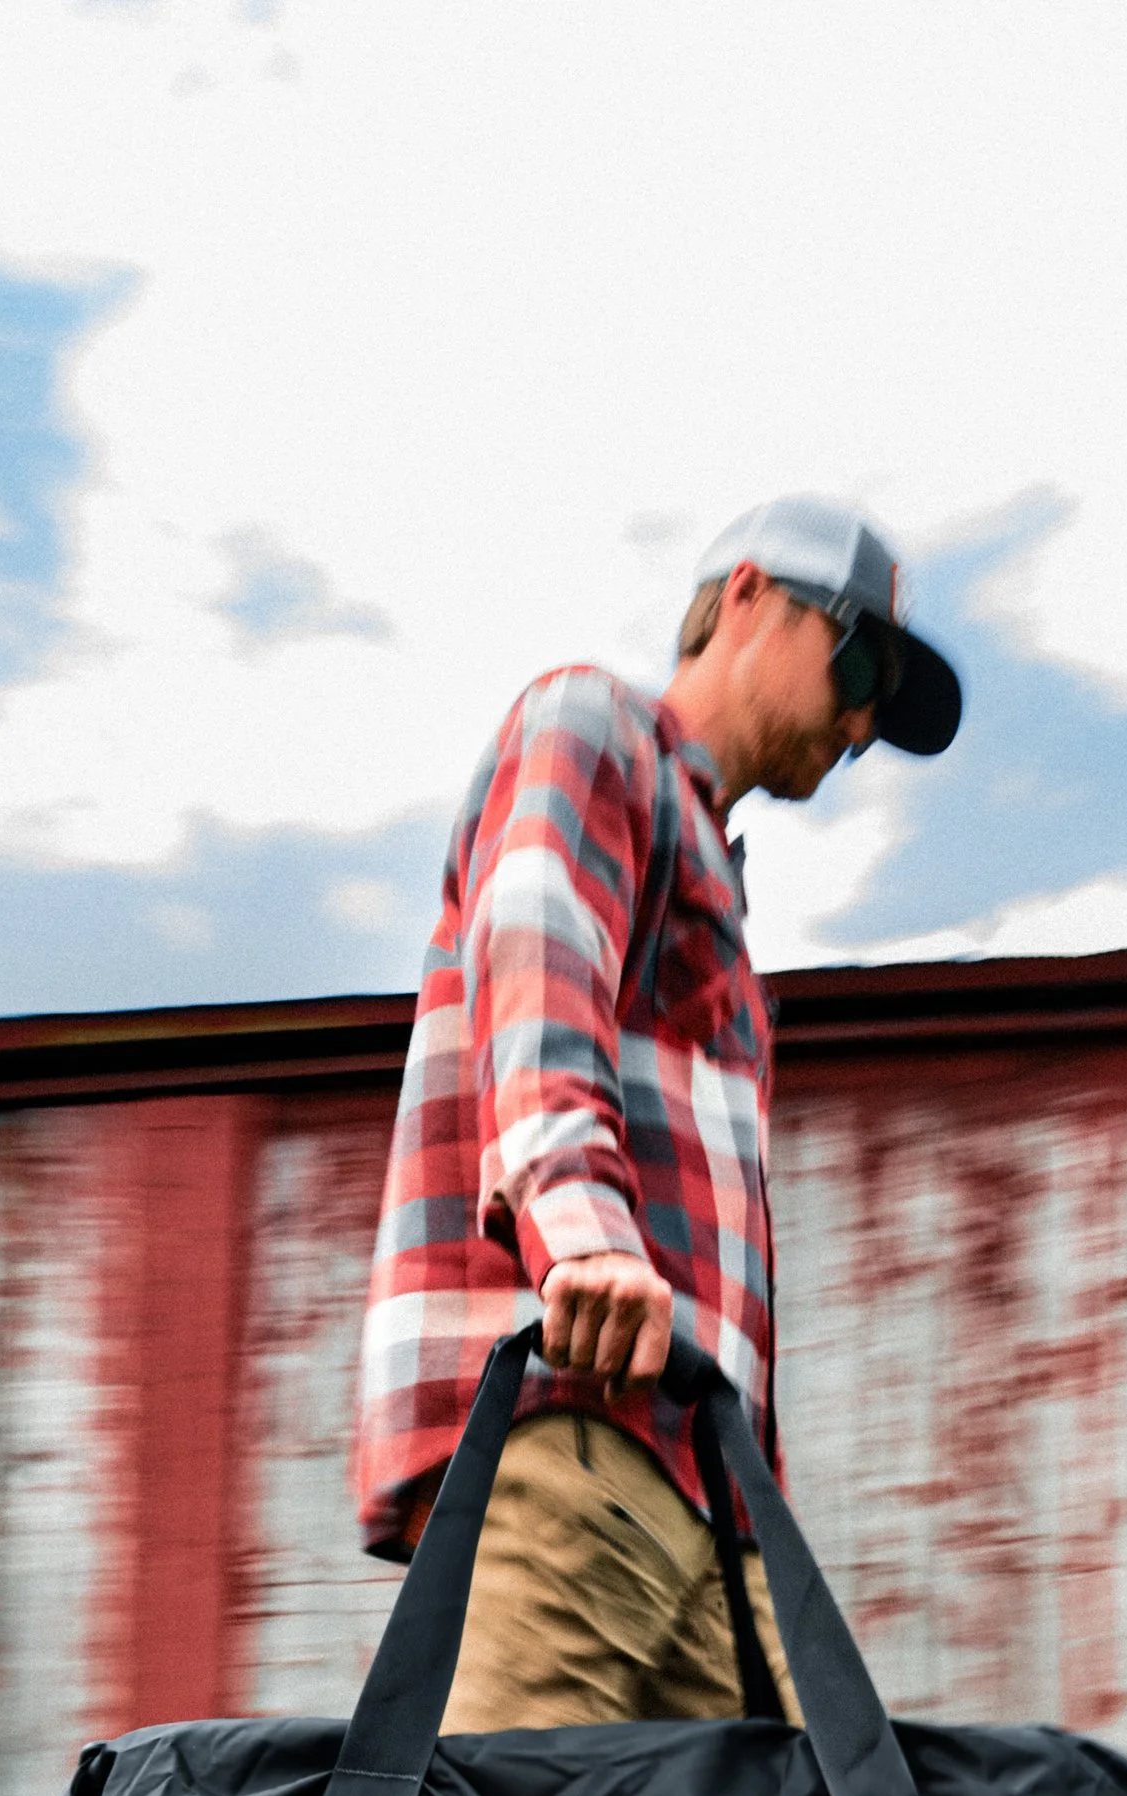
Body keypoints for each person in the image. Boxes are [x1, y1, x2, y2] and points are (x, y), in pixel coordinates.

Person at [351, 495, 963, 1730]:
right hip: (577, 1437)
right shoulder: (590, 727)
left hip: (709, 1494)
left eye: (880, 708)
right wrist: (580, 1233)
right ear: (744, 597)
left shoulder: (715, 875)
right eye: (857, 664)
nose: (859, 722)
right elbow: (538, 965)